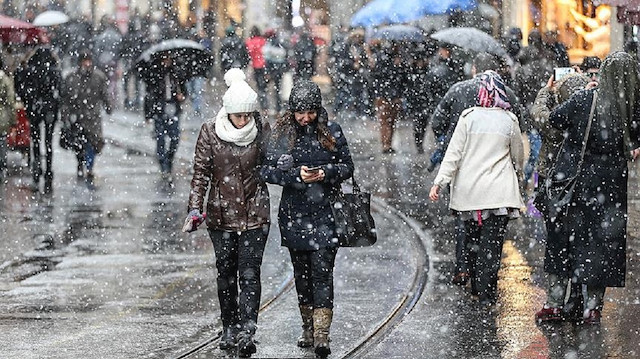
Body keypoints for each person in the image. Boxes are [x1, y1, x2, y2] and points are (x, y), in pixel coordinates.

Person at [535, 52, 640, 324]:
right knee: (602, 247)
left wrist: (568, 94)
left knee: (563, 243)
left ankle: (554, 304)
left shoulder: (586, 100)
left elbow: (554, 120)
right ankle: (592, 308)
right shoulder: (631, 109)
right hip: (611, 191)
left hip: (577, 185)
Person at [261, 80, 354, 358]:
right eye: (300, 112)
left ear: (318, 109)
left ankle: (322, 334)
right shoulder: (281, 135)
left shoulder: (332, 131)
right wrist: (294, 176)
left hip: (326, 214)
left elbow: (347, 166)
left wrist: (325, 173)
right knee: (302, 277)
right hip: (294, 216)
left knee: (322, 273)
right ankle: (308, 329)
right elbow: (265, 171)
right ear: (292, 111)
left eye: (310, 111)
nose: (305, 118)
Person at [187, 68, 270, 357]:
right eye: (239, 115)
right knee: (226, 274)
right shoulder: (210, 131)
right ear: (228, 112)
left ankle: (248, 327)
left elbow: (273, 162)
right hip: (220, 217)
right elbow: (200, 174)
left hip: (255, 215)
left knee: (249, 273)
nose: (244, 120)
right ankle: (229, 326)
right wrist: (194, 209)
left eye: (248, 114)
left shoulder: (261, 129)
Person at [429, 71, 525, 305]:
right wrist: (519, 173)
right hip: (499, 194)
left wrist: (439, 182)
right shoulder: (509, 119)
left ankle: (474, 282)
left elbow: (453, 154)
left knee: (472, 241)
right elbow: (518, 155)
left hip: (470, 192)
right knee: (492, 245)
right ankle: (487, 293)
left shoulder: (468, 117)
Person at [531, 73, 590, 322]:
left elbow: (538, 113)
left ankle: (555, 303)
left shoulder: (556, 120)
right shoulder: (589, 115)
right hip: (582, 185)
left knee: (557, 243)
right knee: (580, 243)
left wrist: (546, 90)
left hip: (554, 185)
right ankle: (578, 299)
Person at [60, 51, 112, 184]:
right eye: (84, 61)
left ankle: (89, 168)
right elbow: (65, 98)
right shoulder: (71, 78)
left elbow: (104, 94)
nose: (87, 64)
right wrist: (65, 115)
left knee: (93, 143)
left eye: (89, 61)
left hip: (92, 117)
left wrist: (108, 106)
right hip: (76, 117)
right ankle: (80, 164)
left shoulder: (98, 77)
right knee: (78, 144)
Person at [15, 47, 61, 193]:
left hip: (35, 109)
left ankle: (37, 170)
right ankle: (48, 172)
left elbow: (19, 85)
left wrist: (29, 101)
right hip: (49, 110)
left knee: (36, 141)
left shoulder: (30, 70)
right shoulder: (53, 71)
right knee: (48, 143)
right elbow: (60, 90)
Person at [141, 54, 186, 175]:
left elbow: (183, 89)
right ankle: (163, 164)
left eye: (169, 59)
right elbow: (149, 95)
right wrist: (148, 114)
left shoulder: (176, 74)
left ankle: (169, 158)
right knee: (160, 138)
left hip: (173, 108)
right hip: (159, 110)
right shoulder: (155, 74)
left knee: (174, 137)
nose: (167, 61)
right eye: (165, 59)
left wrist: (181, 96)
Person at [370, 40, 405, 153]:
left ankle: (387, 144)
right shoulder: (386, 59)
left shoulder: (387, 59)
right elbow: (379, 76)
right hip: (387, 96)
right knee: (386, 121)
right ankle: (386, 144)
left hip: (390, 96)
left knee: (390, 121)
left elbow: (403, 79)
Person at [246, 26, 268, 112]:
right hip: (264, 65)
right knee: (264, 87)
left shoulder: (249, 42)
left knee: (259, 87)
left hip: (255, 66)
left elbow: (249, 54)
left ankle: (262, 105)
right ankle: (265, 106)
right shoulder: (263, 41)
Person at [0, 57, 16, 178]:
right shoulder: (4, 79)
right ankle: (2, 167)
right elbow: (10, 101)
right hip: (2, 116)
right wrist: (13, 121)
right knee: (2, 141)